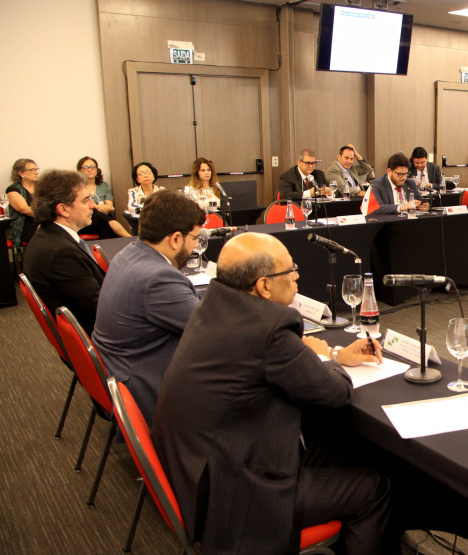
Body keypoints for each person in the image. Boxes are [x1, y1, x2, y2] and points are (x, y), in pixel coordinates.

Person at [152, 232, 391, 554]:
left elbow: (276, 363)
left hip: (200, 469)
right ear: (264, 286)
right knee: (374, 487)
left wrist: (332, 354)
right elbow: (334, 392)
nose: (297, 278)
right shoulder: (270, 327)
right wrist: (323, 357)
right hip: (239, 494)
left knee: (347, 446)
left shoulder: (215, 304)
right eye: (290, 271)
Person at [93, 190, 207, 425]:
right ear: (175, 239)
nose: (196, 245)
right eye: (195, 238)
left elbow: (183, 302)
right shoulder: (159, 278)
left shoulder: (129, 253)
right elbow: (212, 331)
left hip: (124, 369)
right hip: (149, 386)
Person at [23, 169, 105, 333]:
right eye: (85, 200)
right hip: (104, 337)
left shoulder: (47, 235)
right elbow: (98, 312)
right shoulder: (61, 253)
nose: (93, 205)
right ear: (63, 209)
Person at [76, 156, 130, 238]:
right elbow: (82, 207)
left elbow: (110, 207)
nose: (89, 170)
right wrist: (99, 208)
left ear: (97, 170)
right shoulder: (77, 187)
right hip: (85, 221)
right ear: (80, 170)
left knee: (104, 229)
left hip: (102, 220)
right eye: (85, 167)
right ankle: (128, 237)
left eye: (92, 167)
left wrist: (98, 208)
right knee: (98, 215)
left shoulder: (104, 185)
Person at [6, 158, 39, 249]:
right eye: (32, 170)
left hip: (44, 220)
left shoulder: (42, 186)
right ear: (21, 173)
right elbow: (24, 209)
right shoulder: (13, 189)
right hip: (25, 223)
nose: (36, 172)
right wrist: (49, 214)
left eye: (36, 169)